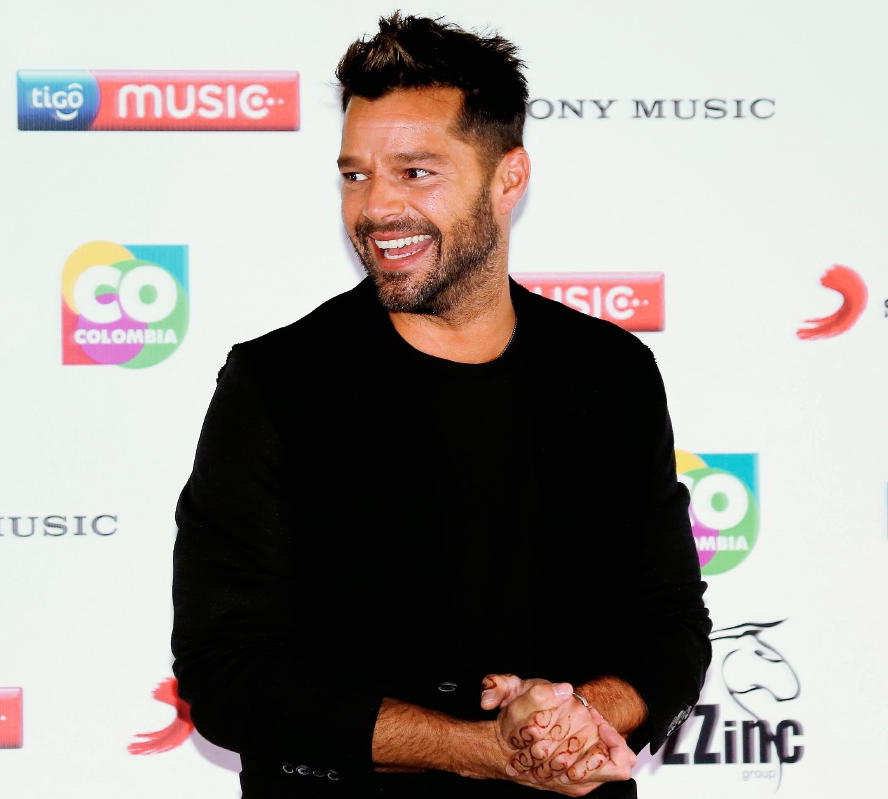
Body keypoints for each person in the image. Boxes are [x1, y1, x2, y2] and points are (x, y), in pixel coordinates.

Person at [171, 13, 710, 798]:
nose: (376, 209)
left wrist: (572, 719)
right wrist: (483, 748)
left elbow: (668, 628)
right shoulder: (279, 383)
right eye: (356, 175)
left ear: (508, 177)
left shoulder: (609, 373)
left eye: (416, 173)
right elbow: (231, 673)